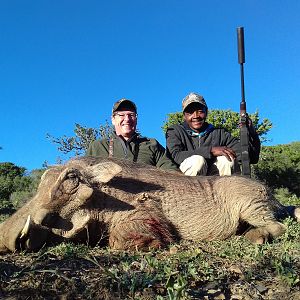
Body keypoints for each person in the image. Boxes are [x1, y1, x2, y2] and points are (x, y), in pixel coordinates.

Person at [166, 92, 261, 176]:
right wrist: (210, 151)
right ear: (184, 116)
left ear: (206, 112)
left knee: (227, 161)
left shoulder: (220, 133)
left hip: (214, 182)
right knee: (197, 161)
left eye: (200, 111)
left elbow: (250, 157)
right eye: (190, 112)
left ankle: (226, 195)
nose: (195, 116)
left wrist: (251, 132)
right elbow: (175, 156)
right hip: (184, 183)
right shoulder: (175, 131)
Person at [86, 98, 178, 171]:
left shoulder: (152, 144)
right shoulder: (97, 147)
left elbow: (171, 172)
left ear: (136, 119)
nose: (127, 119)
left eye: (131, 115)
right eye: (121, 115)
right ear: (113, 119)